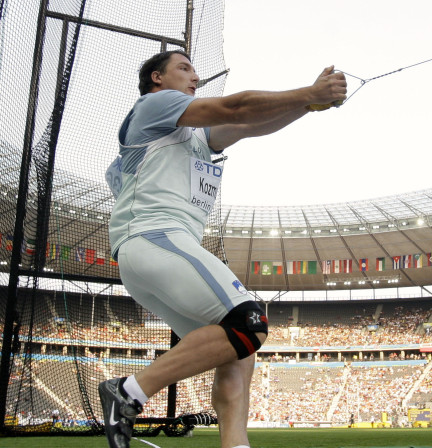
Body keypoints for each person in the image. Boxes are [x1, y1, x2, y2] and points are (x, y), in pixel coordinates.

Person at [99, 50, 346, 448]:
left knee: (238, 349)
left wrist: (308, 104)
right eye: (184, 68)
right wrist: (308, 90)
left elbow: (247, 123)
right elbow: (236, 105)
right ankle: (128, 391)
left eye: (195, 70)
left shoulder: (194, 135)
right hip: (154, 237)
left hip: (153, 252)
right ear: (157, 79)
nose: (194, 76)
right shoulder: (154, 104)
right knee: (249, 323)